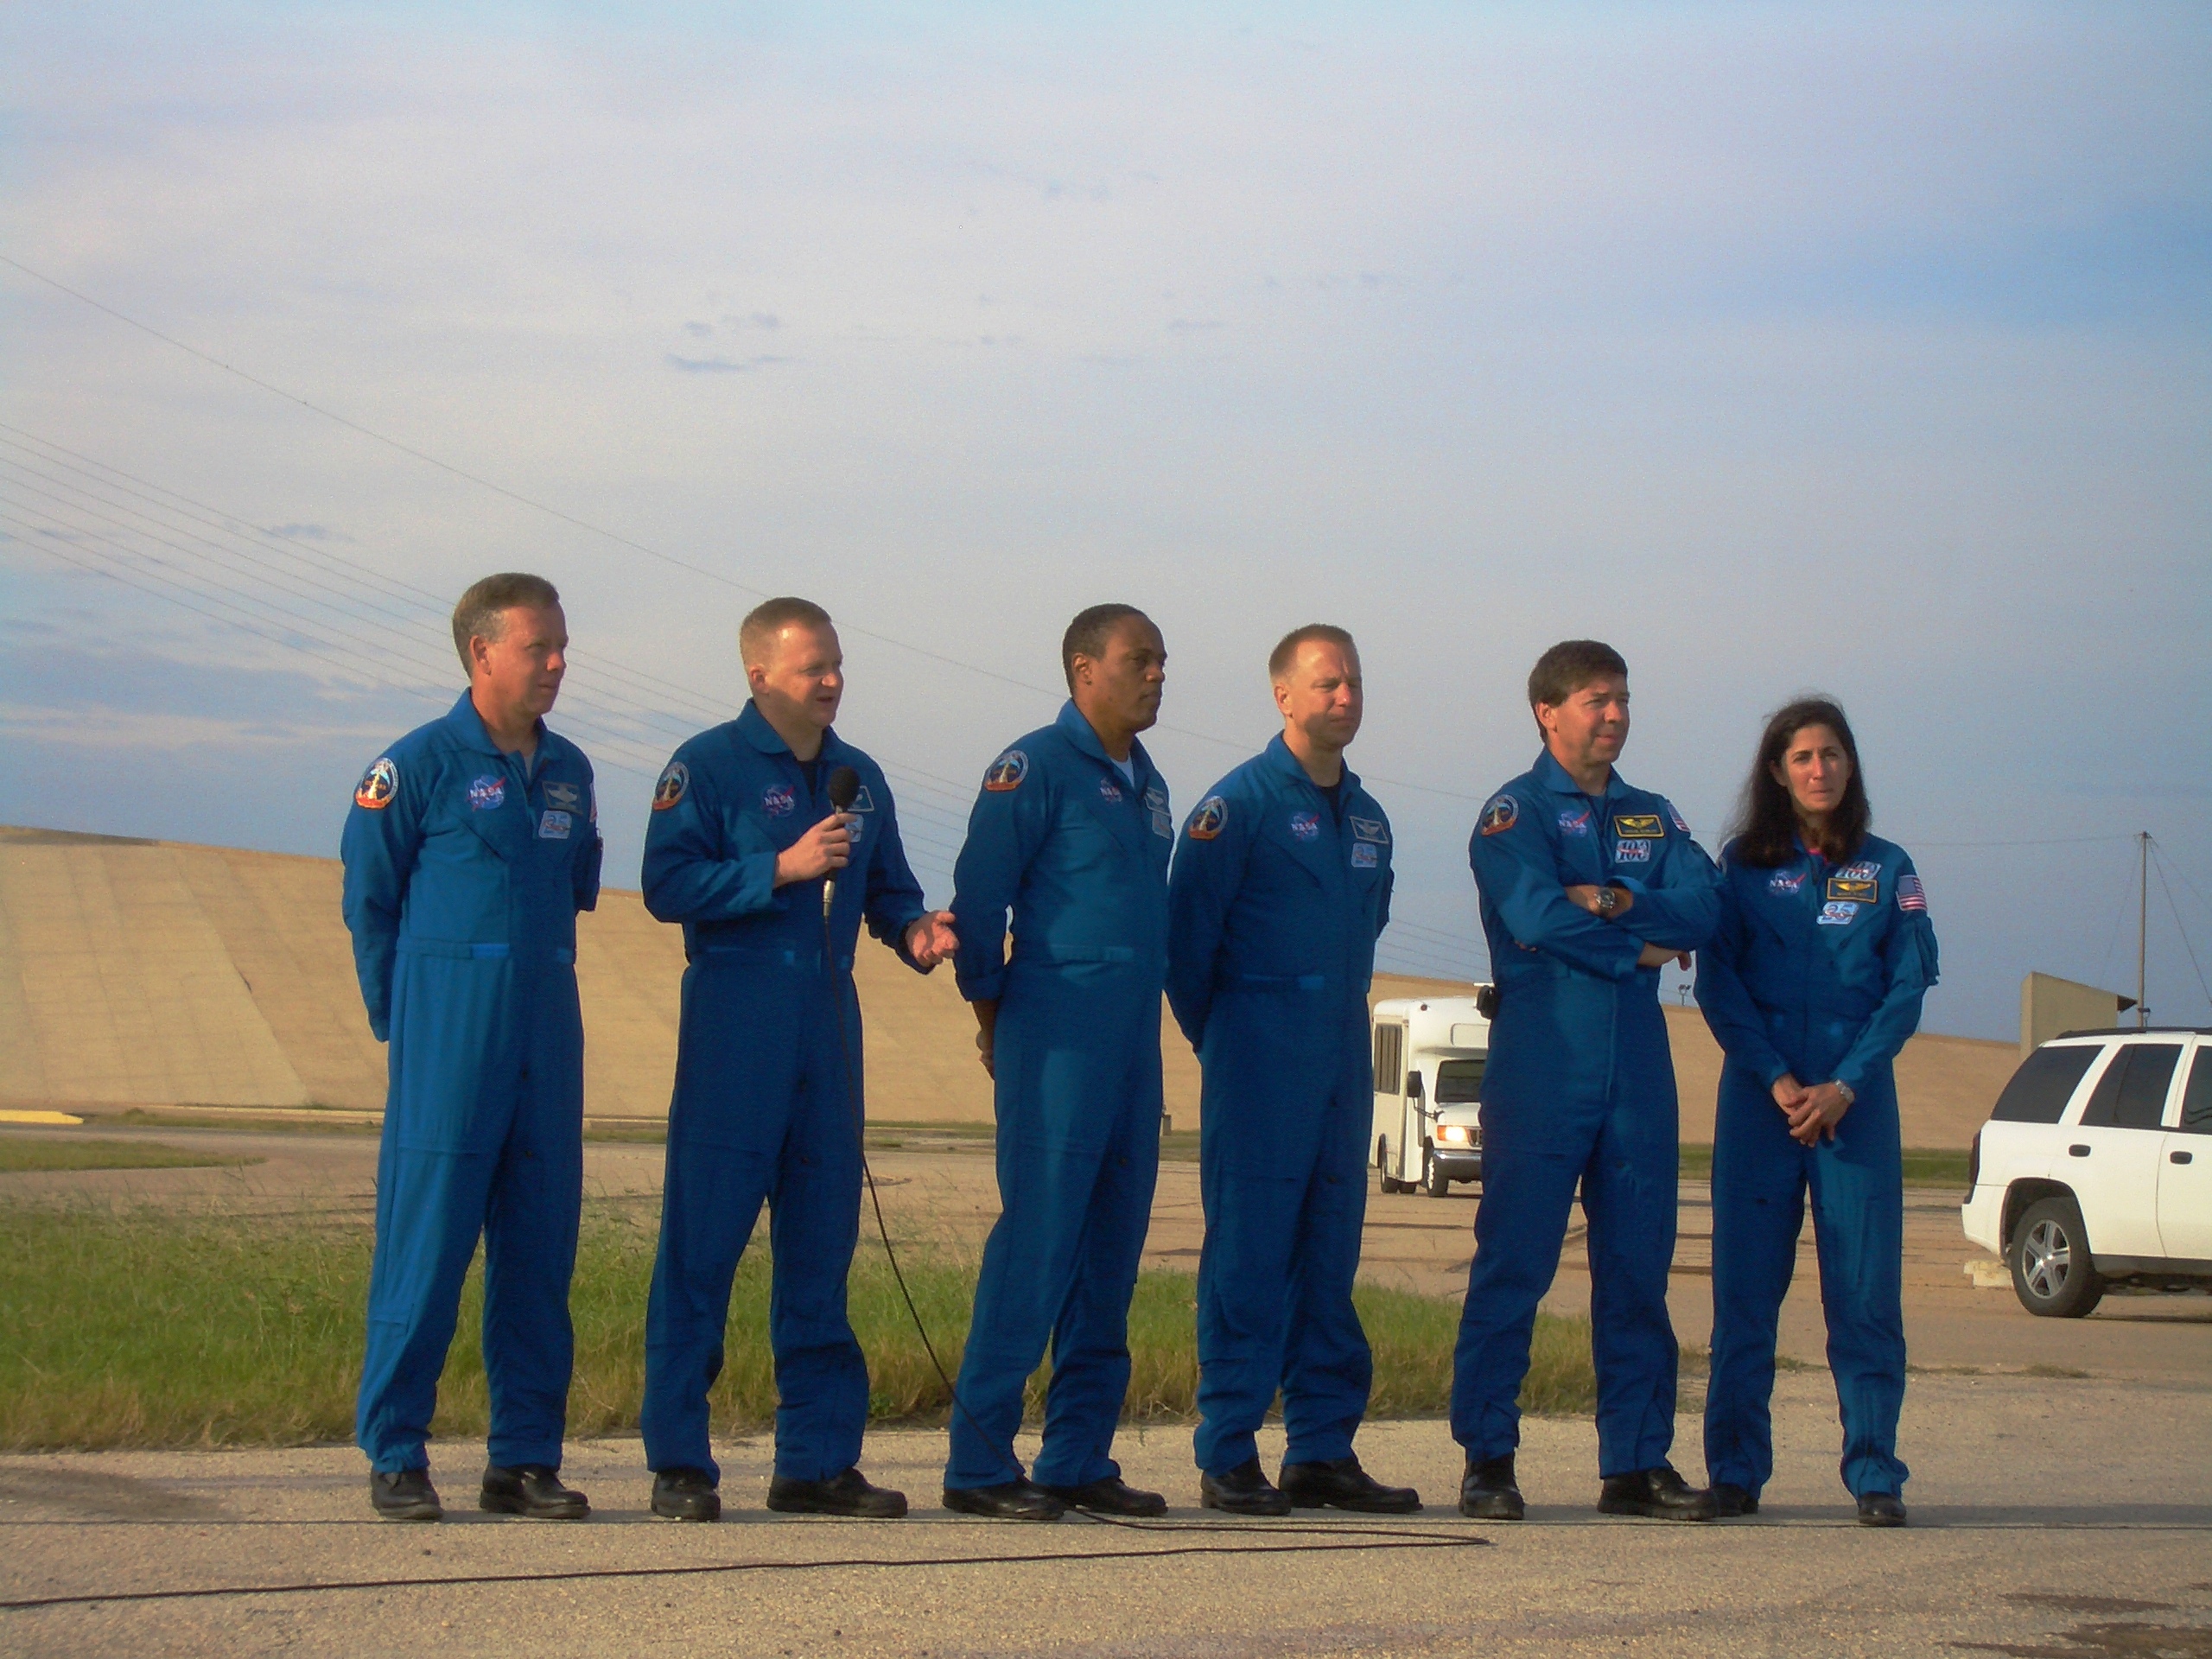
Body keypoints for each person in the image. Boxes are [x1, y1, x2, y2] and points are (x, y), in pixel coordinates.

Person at [638, 598, 956, 1522]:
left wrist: (917, 931)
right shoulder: (705, 766)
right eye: (812, 666)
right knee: (700, 1252)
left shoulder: (858, 779)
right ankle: (681, 1463)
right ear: (758, 675)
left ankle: (815, 1462)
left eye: (836, 664)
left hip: (828, 1030)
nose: (830, 681)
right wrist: (777, 868)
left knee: (820, 1253)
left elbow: (888, 891)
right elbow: (665, 885)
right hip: (735, 1024)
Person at [340, 572, 604, 1522]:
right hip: (449, 1034)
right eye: (539, 648)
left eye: (561, 646)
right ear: (482, 652)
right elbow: (369, 902)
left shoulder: (569, 769)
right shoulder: (417, 765)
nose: (557, 664)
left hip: (545, 1032)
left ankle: (523, 1459)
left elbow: (575, 884)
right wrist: (402, 1021)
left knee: (538, 1255)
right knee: (427, 1247)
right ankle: (397, 1451)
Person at [1455, 639, 1722, 1522]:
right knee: (1514, 1264)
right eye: (1594, 700)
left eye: (1621, 700)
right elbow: (1532, 914)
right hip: (1541, 1058)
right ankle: (1488, 1458)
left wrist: (1606, 900)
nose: (1613, 715)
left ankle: (1636, 1462)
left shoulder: (1651, 816)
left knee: (1638, 1265)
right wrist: (1640, 946)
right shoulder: (1514, 812)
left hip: (1637, 1067)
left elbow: (1705, 908)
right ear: (1548, 711)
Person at [1166, 625, 1421, 1516]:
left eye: (1353, 682)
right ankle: (1228, 1450)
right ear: (1283, 695)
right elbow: (1187, 947)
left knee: (1327, 1255)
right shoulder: (1237, 807)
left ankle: (1321, 1448)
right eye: (1325, 683)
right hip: (1256, 1050)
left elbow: (1369, 926)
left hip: (1340, 1056)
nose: (1343, 697)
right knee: (1246, 1253)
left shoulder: (1370, 820)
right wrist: (1234, 1038)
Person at [940, 604, 1174, 1521]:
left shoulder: (1147, 784)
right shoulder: (1033, 766)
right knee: (1037, 1245)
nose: (1157, 675)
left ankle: (1078, 1455)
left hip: (1128, 1043)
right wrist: (994, 1013)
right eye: (1139, 659)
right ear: (1085, 669)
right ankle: (978, 1464)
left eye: (1162, 661)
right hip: (1055, 1033)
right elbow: (979, 898)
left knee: (1110, 1254)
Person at [1697, 698, 1937, 1529]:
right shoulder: (1742, 867)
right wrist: (1774, 1079)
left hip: (1854, 1109)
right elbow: (1718, 982)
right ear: (1776, 770)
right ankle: (1734, 1472)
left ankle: (1875, 1473)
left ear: (1850, 764)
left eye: (1832, 754)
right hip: (1763, 1105)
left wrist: (1846, 1084)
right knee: (1744, 1299)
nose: (1819, 770)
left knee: (1865, 1297)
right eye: (1802, 756)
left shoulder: (1889, 868)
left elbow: (1907, 988)